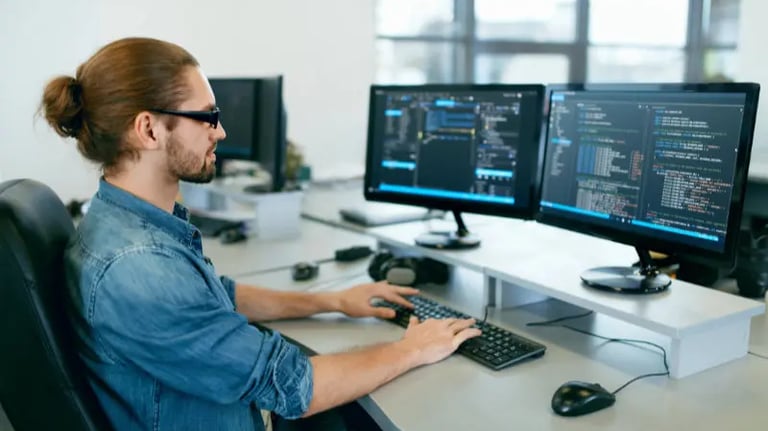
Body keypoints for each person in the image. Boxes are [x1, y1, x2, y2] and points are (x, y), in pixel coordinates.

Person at [40, 37, 480, 431]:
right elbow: (294, 387)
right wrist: (413, 348)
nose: (221, 131)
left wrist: (330, 301)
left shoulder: (122, 220)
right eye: (207, 117)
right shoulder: (139, 264)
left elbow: (216, 297)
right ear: (149, 129)